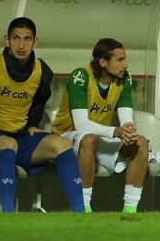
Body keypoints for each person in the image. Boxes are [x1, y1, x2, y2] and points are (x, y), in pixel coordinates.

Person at [0, 17, 85, 213]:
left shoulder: (42, 71)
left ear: (35, 41)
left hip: (19, 138)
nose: (21, 45)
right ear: (6, 40)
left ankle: (81, 213)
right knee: (7, 144)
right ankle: (9, 214)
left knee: (63, 144)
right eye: (16, 38)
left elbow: (38, 102)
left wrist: (33, 123)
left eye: (27, 39)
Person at [51, 38, 149, 213]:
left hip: (99, 137)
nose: (125, 65)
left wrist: (129, 131)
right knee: (88, 139)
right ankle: (83, 208)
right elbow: (81, 125)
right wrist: (116, 131)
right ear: (103, 62)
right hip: (67, 137)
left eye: (125, 59)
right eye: (120, 60)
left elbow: (126, 117)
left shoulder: (124, 78)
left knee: (141, 143)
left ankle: (130, 211)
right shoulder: (80, 76)